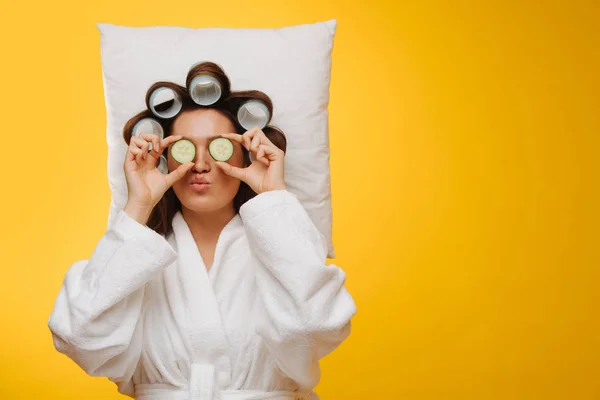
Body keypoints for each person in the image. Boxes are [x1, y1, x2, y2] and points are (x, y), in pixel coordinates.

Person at [47, 62, 356, 400]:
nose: (201, 163)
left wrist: (274, 197)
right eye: (186, 147)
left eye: (218, 146)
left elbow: (316, 326)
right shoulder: (138, 260)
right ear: (167, 158)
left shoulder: (277, 252)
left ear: (243, 158)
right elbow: (77, 337)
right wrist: (138, 206)